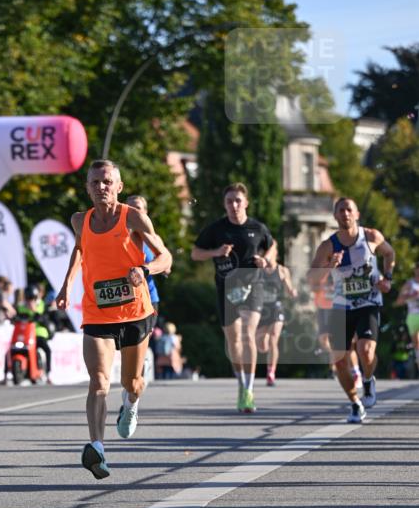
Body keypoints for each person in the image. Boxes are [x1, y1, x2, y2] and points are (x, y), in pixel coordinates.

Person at [56, 159, 172, 479]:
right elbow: (80, 249)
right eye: (95, 182)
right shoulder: (80, 220)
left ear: (119, 187)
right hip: (97, 311)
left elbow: (166, 256)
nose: (101, 187)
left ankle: (131, 404)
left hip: (135, 312)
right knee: (99, 381)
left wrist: (145, 269)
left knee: (131, 383)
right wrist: (66, 284)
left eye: (107, 182)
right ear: (88, 188)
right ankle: (98, 447)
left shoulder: (132, 217)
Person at [308, 196, 394, 423]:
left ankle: (368, 379)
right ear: (335, 216)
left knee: (366, 351)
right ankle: (355, 403)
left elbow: (389, 254)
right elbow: (312, 279)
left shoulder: (371, 236)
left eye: (349, 210)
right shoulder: (328, 246)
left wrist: (388, 278)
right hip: (341, 306)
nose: (345, 214)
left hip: (369, 302)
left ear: (356, 214)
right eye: (340, 211)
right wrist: (329, 265)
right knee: (338, 361)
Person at [191, 182, 276, 413]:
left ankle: (248, 390)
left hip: (253, 285)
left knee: (248, 333)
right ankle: (241, 381)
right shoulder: (216, 230)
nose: (234, 205)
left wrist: (265, 259)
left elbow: (272, 245)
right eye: (229, 201)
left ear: (246, 202)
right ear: (224, 204)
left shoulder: (257, 228)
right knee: (233, 341)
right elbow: (195, 253)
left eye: (238, 200)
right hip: (226, 289)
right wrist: (216, 252)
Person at [256, 253, 297, 386]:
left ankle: (271, 372)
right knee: (262, 345)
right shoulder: (258, 269)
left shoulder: (282, 270)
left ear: (275, 254)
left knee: (274, 339)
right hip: (261, 309)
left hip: (276, 308)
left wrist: (292, 292)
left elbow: (289, 287)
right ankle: (266, 352)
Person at [9, 283, 54, 382]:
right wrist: (12, 317)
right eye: (28, 298)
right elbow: (15, 317)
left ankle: (48, 374)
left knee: (47, 349)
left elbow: (44, 318)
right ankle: (5, 375)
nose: (30, 300)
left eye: (32, 298)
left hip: (38, 333)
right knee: (9, 350)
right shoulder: (21, 306)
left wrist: (35, 311)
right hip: (24, 334)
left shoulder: (41, 305)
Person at [394, 262, 419, 376]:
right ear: (415, 270)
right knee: (417, 343)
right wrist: (411, 296)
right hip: (413, 315)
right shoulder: (410, 284)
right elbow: (398, 302)